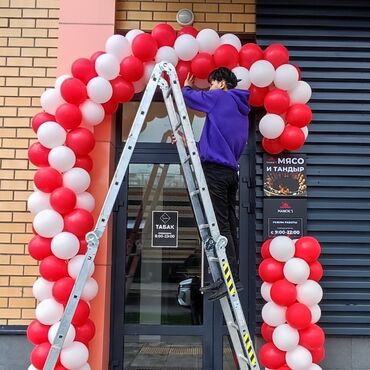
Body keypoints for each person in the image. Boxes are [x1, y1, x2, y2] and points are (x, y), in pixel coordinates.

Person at [179, 67, 250, 301]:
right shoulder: (241, 110)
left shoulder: (220, 97)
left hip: (216, 174)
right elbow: (217, 144)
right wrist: (186, 142)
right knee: (228, 224)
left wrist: (187, 87)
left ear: (221, 83)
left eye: (211, 83)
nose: (209, 88)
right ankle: (232, 277)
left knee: (220, 227)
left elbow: (190, 98)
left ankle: (227, 279)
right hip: (230, 173)